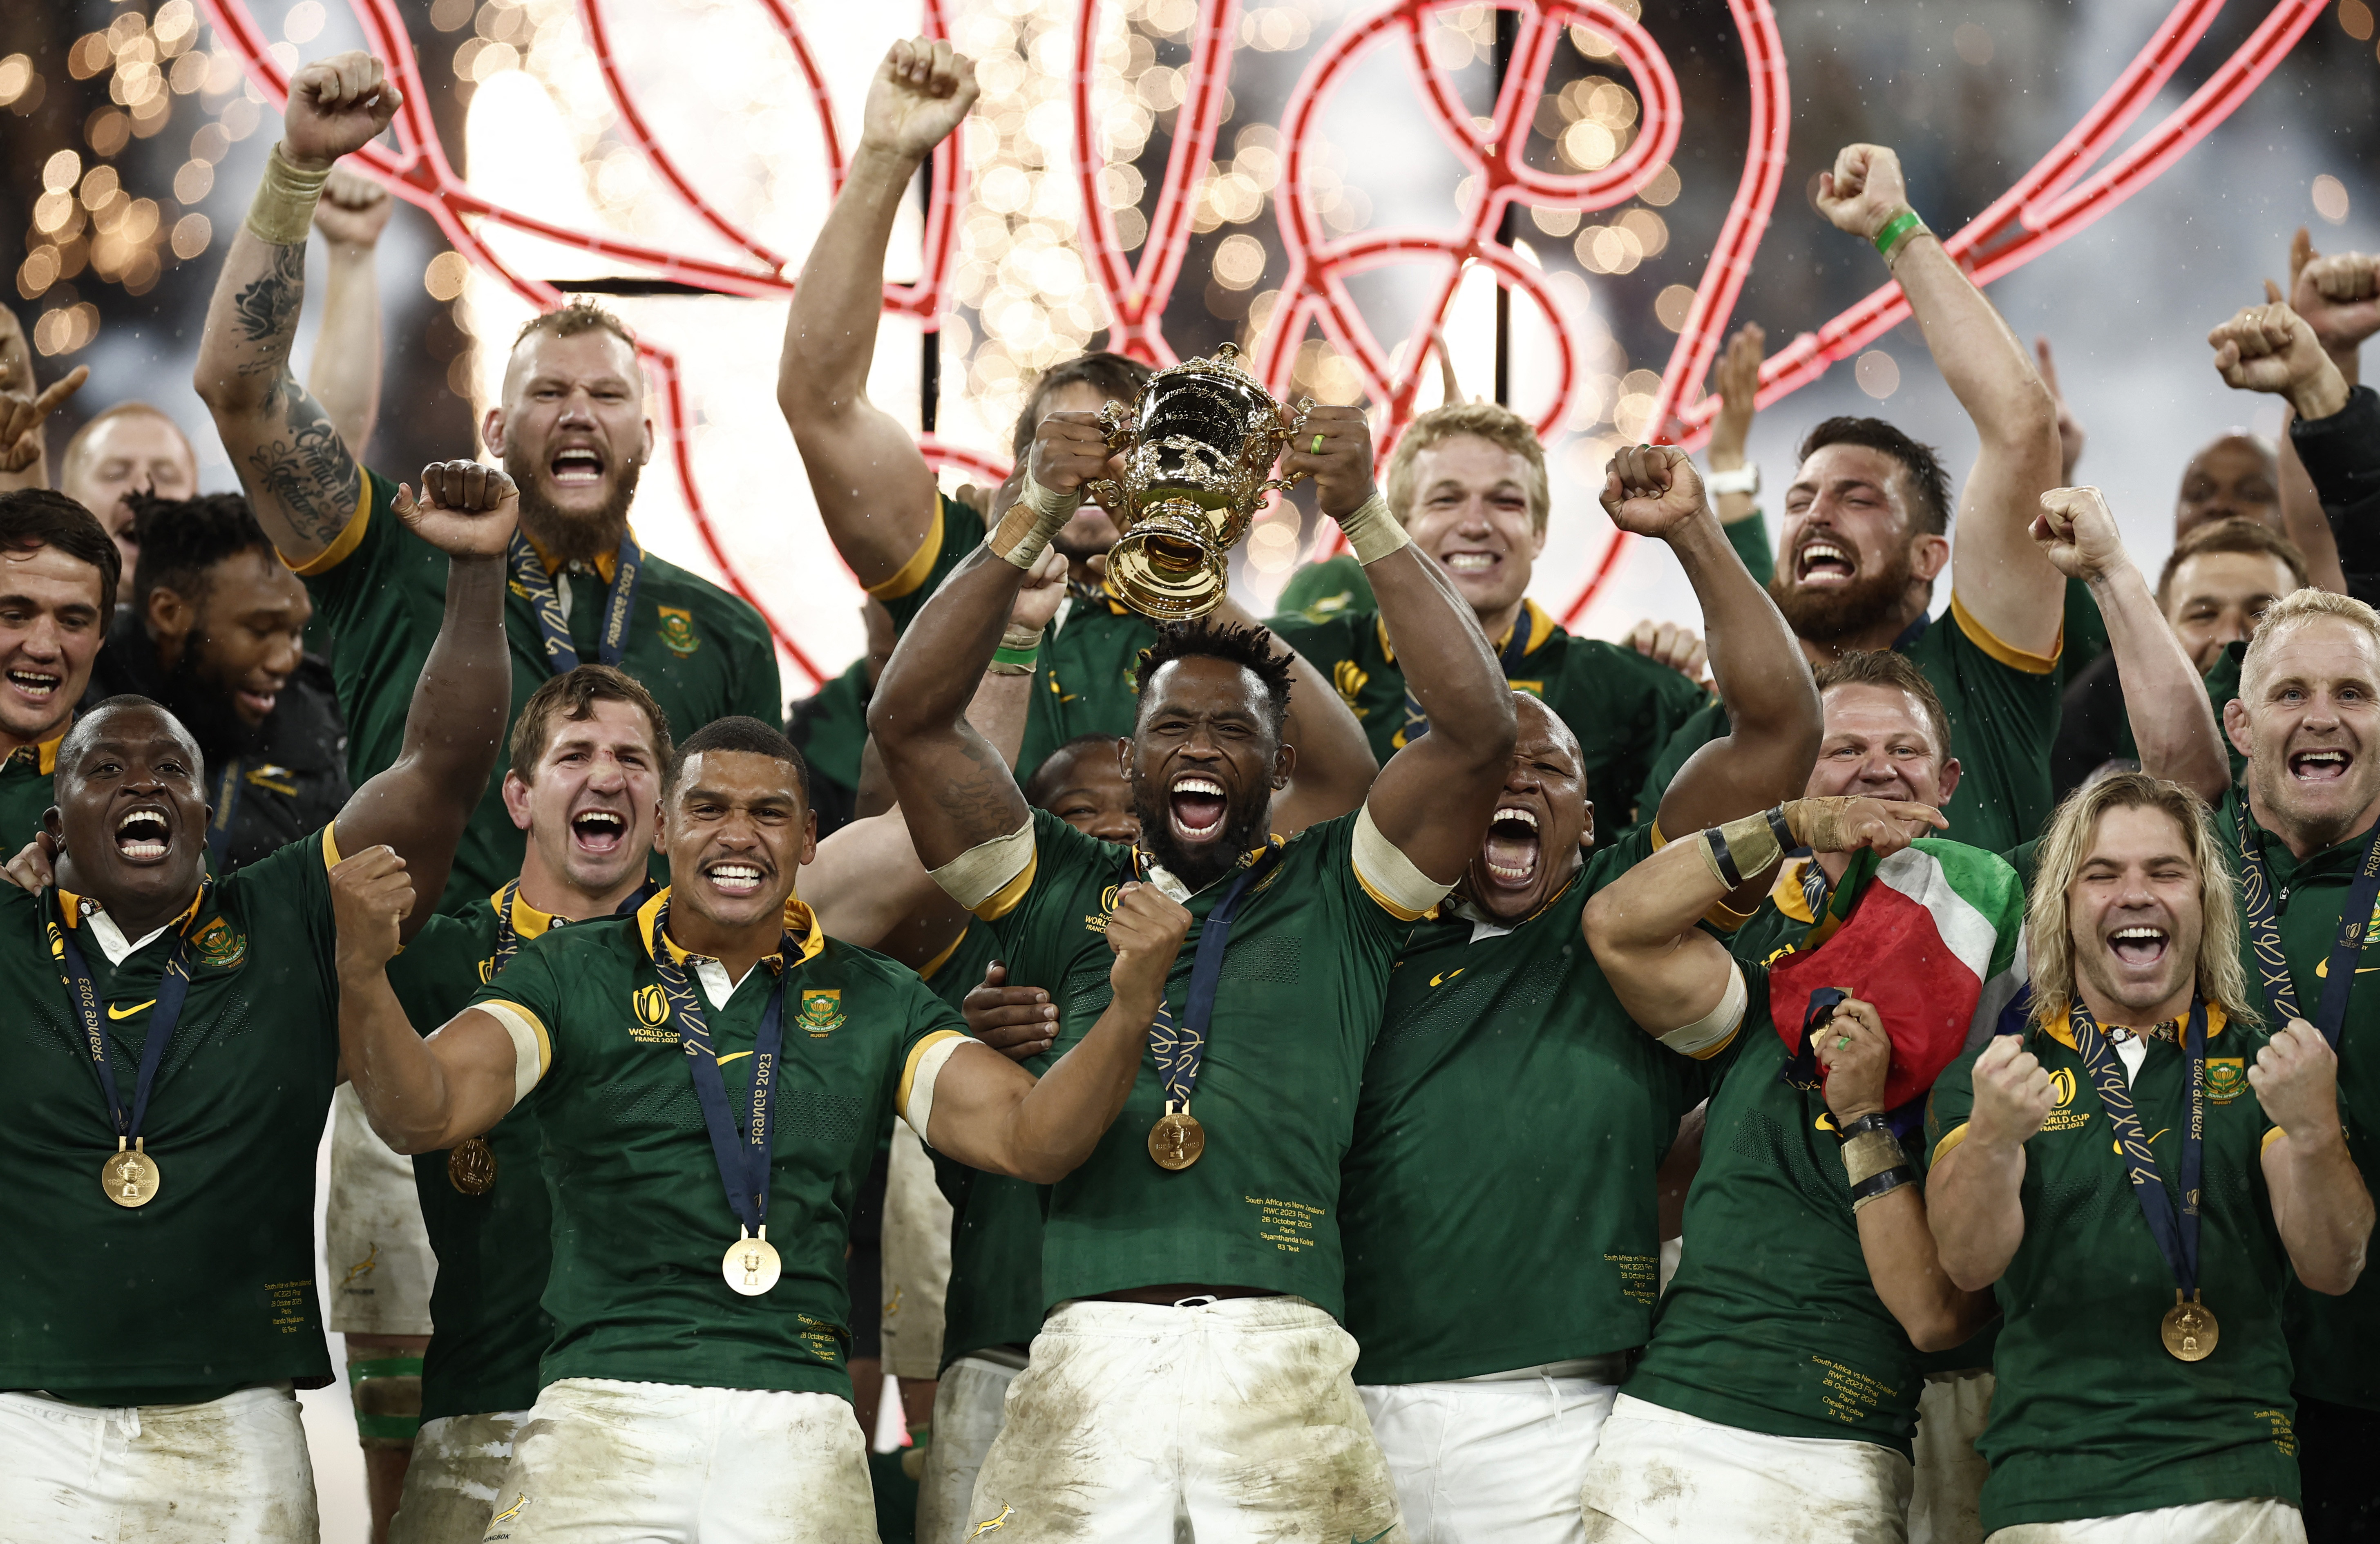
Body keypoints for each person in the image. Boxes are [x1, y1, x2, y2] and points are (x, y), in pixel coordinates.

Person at [870, 383, 1513, 1538]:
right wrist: (1028, 512)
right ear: (1131, 759)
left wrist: (1366, 511)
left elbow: (1478, 731)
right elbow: (910, 724)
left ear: (1281, 769)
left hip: (1285, 1352)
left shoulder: (1345, 891)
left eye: (1234, 732)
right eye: (1172, 728)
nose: (1201, 749)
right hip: (1085, 1353)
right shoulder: (1057, 885)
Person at [332, 710, 1192, 1542]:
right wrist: (363, 974)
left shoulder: (876, 996)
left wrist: (1129, 1006)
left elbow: (1030, 1140)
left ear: (809, 837)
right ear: (662, 827)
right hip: (602, 1402)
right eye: (708, 808)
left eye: (769, 813)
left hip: (799, 1419)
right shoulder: (565, 972)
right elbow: (422, 1111)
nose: (738, 834)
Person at [0, 461, 515, 1540]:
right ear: (52, 823)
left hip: (236, 1427)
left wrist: (476, 577)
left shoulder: (285, 920)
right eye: (106, 769)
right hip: (20, 1422)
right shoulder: (11, 930)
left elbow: (440, 769)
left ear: (210, 814)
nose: (144, 783)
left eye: (171, 769)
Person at [1337, 443, 1819, 1544]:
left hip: (1562, 1417)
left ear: (1593, 819)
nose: (1512, 780)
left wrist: (1693, 530)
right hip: (1342, 1408)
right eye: (1482, 767)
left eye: (1547, 769)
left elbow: (1781, 729)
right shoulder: (1354, 923)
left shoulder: (1627, 914)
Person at [194, 49, 783, 908]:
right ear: (497, 431)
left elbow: (755, 868)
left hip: (649, 996)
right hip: (422, 985)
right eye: (548, 392)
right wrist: (299, 168)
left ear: (647, 437)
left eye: (606, 395)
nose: (577, 413)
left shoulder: (728, 635)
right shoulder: (392, 551)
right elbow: (240, 390)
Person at [782, 40, 1370, 786]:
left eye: (1122, 441)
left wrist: (1183, 569)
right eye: (1065, 439)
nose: (1092, 460)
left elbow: (1346, 779)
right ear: (1018, 468)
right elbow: (822, 402)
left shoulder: (1213, 628)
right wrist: (885, 155)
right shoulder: (952, 560)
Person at [1926, 772, 2372, 1543]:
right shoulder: (1995, 1077)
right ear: (2064, 905)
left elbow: (2334, 1265)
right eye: (2102, 874)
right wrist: (1994, 1138)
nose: (2135, 894)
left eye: (2166, 871)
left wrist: (2315, 1132)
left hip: (2237, 1483)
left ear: (2206, 902)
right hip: (2048, 1490)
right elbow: (1968, 1263)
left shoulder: (2267, 1065)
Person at [1575, 791, 2007, 1544]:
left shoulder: (1985, 1066)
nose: (1876, 780)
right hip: (1667, 1430)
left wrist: (1864, 1115)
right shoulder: (1766, 1000)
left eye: (1903, 753)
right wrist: (1794, 823)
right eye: (1847, 754)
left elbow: (1938, 1315)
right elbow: (1617, 924)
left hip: (1838, 1452)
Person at [1636, 143, 2067, 855]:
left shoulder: (1980, 677)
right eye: (1799, 499)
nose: (1816, 513)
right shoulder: (1716, 733)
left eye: (1857, 498)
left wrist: (1892, 224)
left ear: (1929, 557)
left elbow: (2022, 427)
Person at [1265, 400, 1707, 832]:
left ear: (1538, 532)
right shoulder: (1296, 662)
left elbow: (1743, 766)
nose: (1475, 524)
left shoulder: (1628, 693)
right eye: (1445, 499)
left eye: (1505, 501)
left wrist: (1700, 516)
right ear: (1397, 523)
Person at [2188, 565, 2380, 1544]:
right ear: (2238, 723)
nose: (2321, 716)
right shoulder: (2166, 876)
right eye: (2290, 692)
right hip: (2204, 1389)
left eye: (2352, 691)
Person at [83, 492, 347, 873]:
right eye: (261, 630)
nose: (286, 661)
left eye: (295, 632)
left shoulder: (317, 719)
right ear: (169, 612)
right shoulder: (77, 698)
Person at [2052, 518, 2305, 798]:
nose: (2231, 636)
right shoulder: (2091, 722)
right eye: (2204, 615)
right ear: (2160, 631)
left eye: (2263, 614)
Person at [0, 488, 121, 845]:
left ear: (101, 634)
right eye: (15, 615)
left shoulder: (134, 804)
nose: (43, 648)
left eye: (73, 621)